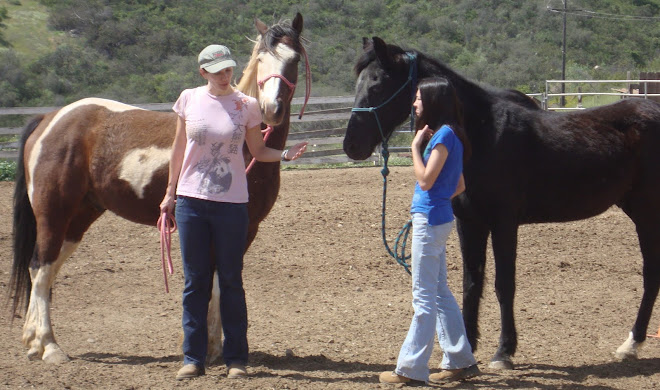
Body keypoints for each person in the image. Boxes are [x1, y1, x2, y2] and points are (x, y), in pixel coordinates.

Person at [160, 44, 308, 381]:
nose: (225, 76)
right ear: (203, 73)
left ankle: (236, 359)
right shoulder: (188, 100)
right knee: (195, 283)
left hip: (232, 204)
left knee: (231, 281)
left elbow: (257, 149)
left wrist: (284, 154)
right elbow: (179, 150)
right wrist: (169, 194)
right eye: (218, 72)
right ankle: (193, 358)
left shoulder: (247, 105)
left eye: (228, 70)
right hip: (191, 202)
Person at [379, 77, 479, 385]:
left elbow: (425, 180)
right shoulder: (452, 135)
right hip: (438, 218)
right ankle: (461, 359)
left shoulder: (443, 137)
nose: (415, 104)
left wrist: (413, 147)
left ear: (432, 103)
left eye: (419, 99)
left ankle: (410, 369)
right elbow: (459, 185)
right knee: (438, 294)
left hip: (429, 221)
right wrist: (435, 200)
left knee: (423, 297)